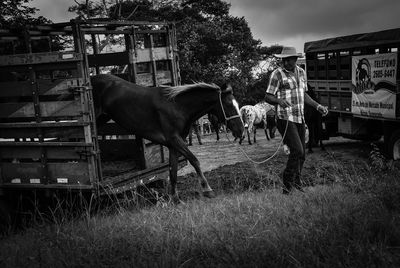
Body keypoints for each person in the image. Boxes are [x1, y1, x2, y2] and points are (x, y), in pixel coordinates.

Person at [264, 46, 328, 194]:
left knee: (302, 154)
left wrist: (317, 106)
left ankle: (298, 185)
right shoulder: (277, 74)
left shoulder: (301, 72)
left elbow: (304, 95)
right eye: (283, 60)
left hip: (299, 117)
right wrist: (279, 101)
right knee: (297, 150)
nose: (285, 63)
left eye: (289, 60)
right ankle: (287, 187)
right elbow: (268, 96)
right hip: (285, 118)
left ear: (295, 59)